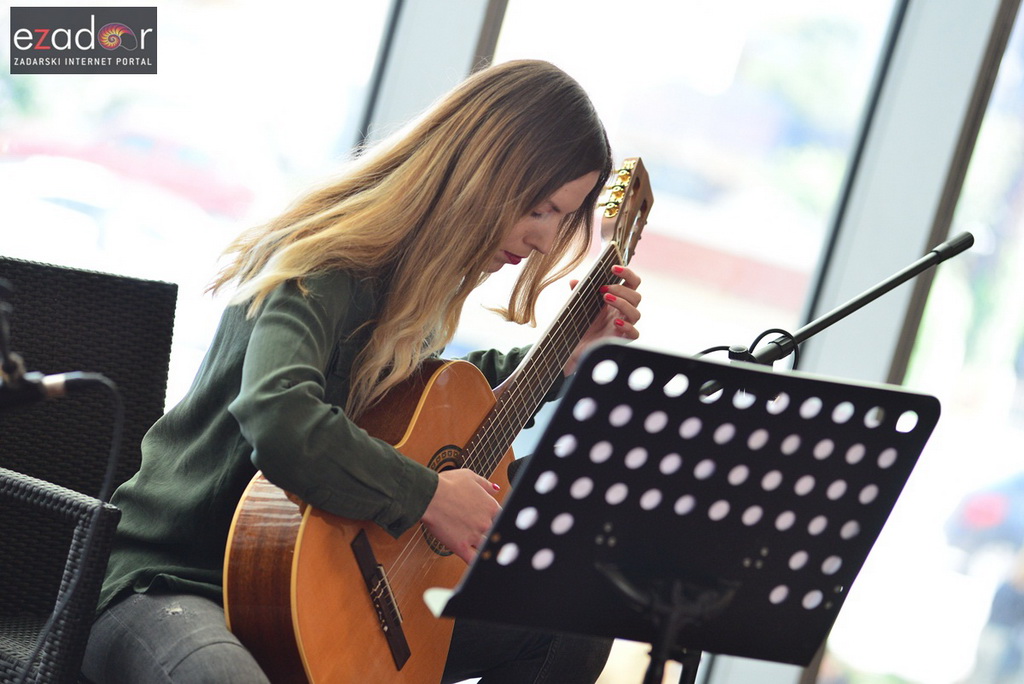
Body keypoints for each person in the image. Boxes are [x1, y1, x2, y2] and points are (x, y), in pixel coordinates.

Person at [81, 59, 643, 683]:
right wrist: (429, 496)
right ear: (482, 172)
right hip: (170, 583)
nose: (544, 239)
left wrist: (563, 360)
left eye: (562, 219)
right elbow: (280, 417)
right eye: (539, 208)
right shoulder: (324, 257)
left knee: (571, 626)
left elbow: (429, 406)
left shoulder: (418, 289)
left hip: (319, 588)